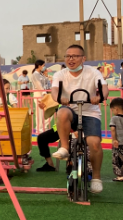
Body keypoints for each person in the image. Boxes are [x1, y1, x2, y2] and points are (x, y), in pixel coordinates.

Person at [51, 44, 108, 193]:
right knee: (62, 112)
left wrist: (99, 97)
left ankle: (96, 177)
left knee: (94, 143)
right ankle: (64, 148)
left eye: (75, 56)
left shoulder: (93, 72)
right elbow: (54, 90)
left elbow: (104, 87)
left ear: (83, 58)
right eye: (68, 56)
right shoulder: (60, 74)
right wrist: (60, 98)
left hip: (90, 112)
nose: (71, 59)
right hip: (71, 110)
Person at [110, 97, 123, 181]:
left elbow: (113, 129)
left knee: (117, 159)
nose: (113, 112)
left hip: (118, 143)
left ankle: (119, 175)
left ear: (116, 109)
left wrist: (114, 139)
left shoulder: (114, 118)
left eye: (112, 110)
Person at [31, 60, 50, 132]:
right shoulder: (35, 74)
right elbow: (38, 86)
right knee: (39, 112)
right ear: (39, 66)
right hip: (39, 94)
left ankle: (44, 126)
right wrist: (44, 93)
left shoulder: (41, 74)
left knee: (49, 110)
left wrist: (46, 75)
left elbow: (46, 84)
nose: (44, 67)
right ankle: (39, 128)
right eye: (43, 65)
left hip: (44, 93)